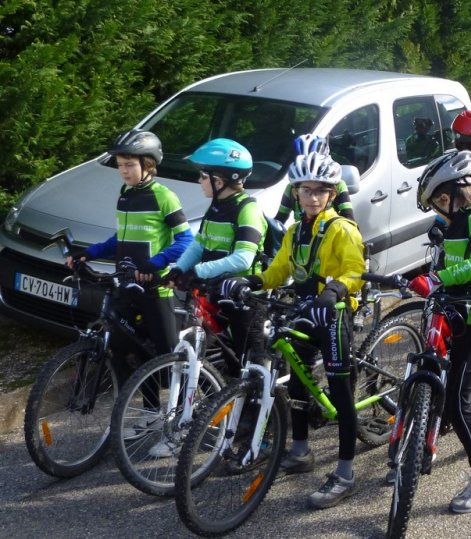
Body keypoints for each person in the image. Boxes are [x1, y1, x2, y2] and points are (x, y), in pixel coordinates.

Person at [219, 151, 364, 510]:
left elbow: (356, 271)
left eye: (320, 191)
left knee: (341, 393)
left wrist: (336, 289)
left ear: (332, 194)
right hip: (302, 312)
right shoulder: (296, 231)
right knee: (297, 383)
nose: (313, 197)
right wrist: (250, 280)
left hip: (334, 315)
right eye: (305, 190)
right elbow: (279, 271)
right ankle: (300, 451)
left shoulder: (343, 229)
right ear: (296, 193)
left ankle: (345, 473)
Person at [410, 150, 471, 513]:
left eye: (439, 200)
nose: (438, 208)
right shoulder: (457, 222)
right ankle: (417, 443)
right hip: (457, 314)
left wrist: (438, 278)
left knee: (458, 405)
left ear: (457, 192)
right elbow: (449, 257)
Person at [67, 129, 192, 377]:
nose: (124, 171)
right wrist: (90, 252)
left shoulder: (164, 197)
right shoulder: (125, 195)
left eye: (130, 165)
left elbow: (186, 239)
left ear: (148, 164)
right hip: (126, 284)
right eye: (120, 165)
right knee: (125, 354)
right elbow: (122, 238)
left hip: (155, 288)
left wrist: (155, 263)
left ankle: (180, 407)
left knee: (166, 360)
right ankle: (133, 410)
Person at [165, 138, 267, 368]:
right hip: (217, 293)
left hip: (245, 299)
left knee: (250, 366)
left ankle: (272, 402)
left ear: (218, 180)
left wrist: (198, 271)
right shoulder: (216, 207)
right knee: (209, 361)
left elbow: (243, 258)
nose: (199, 180)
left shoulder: (247, 209)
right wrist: (179, 269)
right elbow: (199, 244)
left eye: (203, 176)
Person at [274, 134, 354, 224]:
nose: (308, 163)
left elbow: (349, 218)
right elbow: (279, 220)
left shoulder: (338, 185)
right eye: (306, 190)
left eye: (321, 191)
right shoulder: (291, 188)